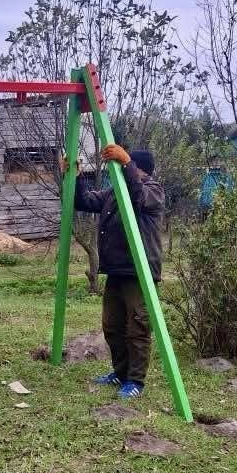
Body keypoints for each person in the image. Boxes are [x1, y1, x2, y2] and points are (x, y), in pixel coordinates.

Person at [73, 144, 164, 399]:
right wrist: (76, 177)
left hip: (139, 271)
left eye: (127, 166)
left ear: (139, 169)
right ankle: (120, 373)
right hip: (116, 270)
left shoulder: (153, 190)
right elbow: (84, 200)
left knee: (137, 327)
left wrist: (126, 164)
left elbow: (138, 197)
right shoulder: (115, 193)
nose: (121, 171)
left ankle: (135, 381)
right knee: (112, 325)